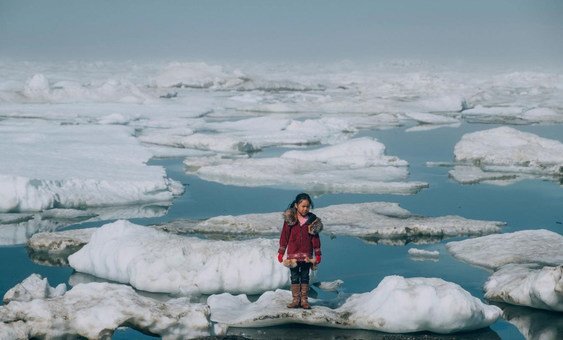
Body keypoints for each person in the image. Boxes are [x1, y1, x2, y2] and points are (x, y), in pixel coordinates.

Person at [277, 193, 323, 309]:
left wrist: (317, 254)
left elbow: (315, 239)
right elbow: (284, 236)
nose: (305, 209)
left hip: (307, 255)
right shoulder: (290, 219)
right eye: (303, 206)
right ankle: (295, 300)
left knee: (305, 276)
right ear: (297, 205)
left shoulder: (312, 220)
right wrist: (281, 251)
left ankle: (304, 300)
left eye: (307, 206)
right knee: (294, 276)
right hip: (293, 255)